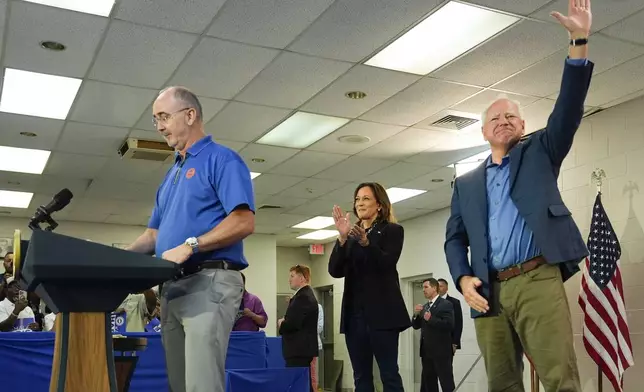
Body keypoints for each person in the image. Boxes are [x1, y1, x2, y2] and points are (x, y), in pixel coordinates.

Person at [444, 1, 593, 391]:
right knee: (502, 383)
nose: (503, 121)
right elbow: (454, 237)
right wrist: (462, 279)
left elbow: (569, 108)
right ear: (483, 133)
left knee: (560, 378)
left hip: (536, 278)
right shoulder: (467, 182)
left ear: (524, 126)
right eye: (495, 118)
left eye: (511, 116)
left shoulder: (541, 151)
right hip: (487, 290)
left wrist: (578, 41)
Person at [125, 86, 255, 392]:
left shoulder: (222, 160)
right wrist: (116, 261)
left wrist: (191, 244)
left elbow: (244, 220)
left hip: (208, 282)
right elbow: (153, 234)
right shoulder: (170, 176)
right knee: (180, 386)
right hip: (172, 288)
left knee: (201, 385)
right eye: (155, 119)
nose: (158, 126)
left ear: (190, 115)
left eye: (164, 117)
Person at [329, 182, 410, 392]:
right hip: (355, 316)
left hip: (383, 315)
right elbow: (335, 270)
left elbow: (387, 263)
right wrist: (342, 237)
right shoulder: (351, 234)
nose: (360, 203)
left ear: (379, 205)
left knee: (388, 373)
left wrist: (366, 243)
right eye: (357, 199)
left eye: (366, 198)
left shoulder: (392, 230)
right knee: (361, 376)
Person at [278, 265, 319, 392]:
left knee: (300, 384)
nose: (289, 279)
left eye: (292, 276)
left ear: (301, 278)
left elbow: (293, 323)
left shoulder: (303, 297)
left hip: (299, 349)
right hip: (300, 349)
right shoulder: (301, 296)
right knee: (302, 383)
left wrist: (282, 323)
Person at [412, 278, 455, 392]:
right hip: (426, 352)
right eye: (422, 288)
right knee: (429, 383)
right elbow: (416, 326)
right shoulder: (425, 306)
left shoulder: (446, 304)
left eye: (426, 287)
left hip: (441, 351)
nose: (423, 290)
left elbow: (449, 325)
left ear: (434, 288)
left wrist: (431, 318)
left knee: (446, 383)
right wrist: (416, 314)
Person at [437, 278, 462, 355]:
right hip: (434, 342)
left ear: (446, 288)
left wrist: (455, 343)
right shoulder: (432, 302)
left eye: (441, 286)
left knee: (446, 366)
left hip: (448, 341)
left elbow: (458, 323)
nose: (438, 288)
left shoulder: (454, 302)